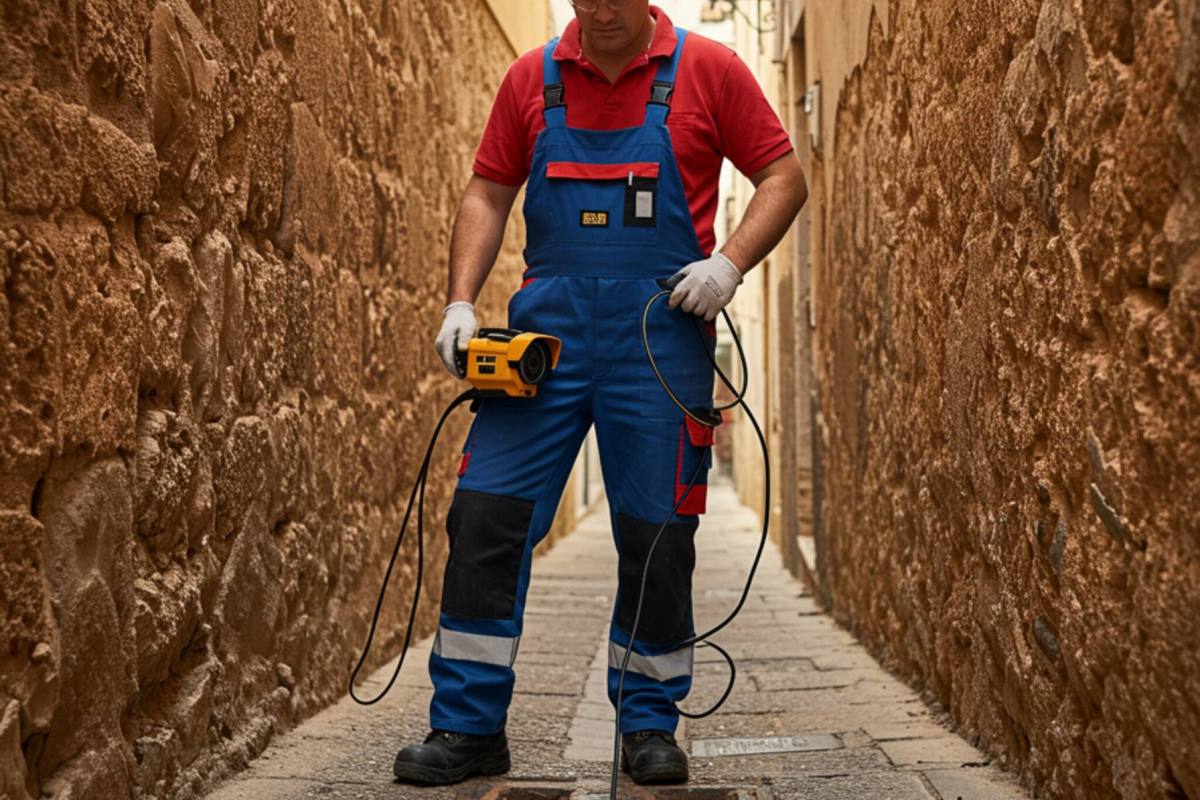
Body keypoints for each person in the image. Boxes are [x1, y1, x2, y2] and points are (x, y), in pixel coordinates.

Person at [393, 0, 807, 787]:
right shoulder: (531, 79)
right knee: (484, 515)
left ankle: (648, 723)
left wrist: (729, 266)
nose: (600, 13)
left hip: (659, 339)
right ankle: (467, 726)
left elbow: (783, 177)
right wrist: (459, 302)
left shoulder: (710, 72)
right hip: (544, 347)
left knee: (658, 535)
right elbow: (487, 191)